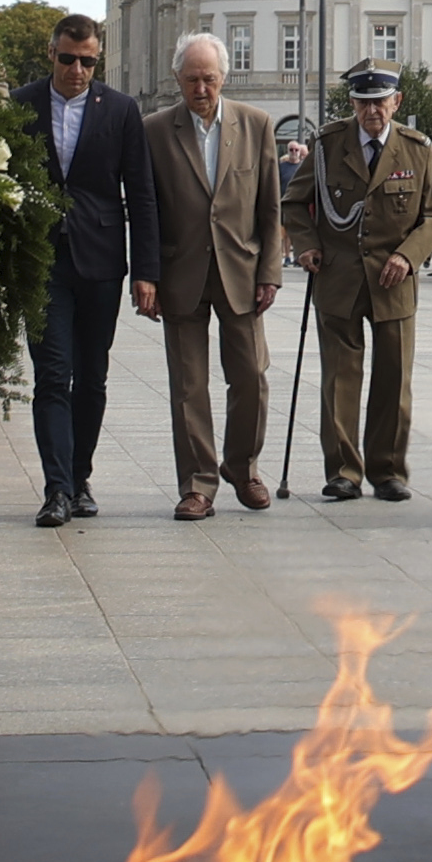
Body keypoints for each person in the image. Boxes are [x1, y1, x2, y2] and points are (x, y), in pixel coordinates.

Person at [137, 29, 281, 519]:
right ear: (177, 78)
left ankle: (243, 468)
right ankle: (198, 484)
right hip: (180, 273)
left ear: (224, 77)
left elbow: (271, 207)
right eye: (192, 79)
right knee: (188, 386)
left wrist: (270, 272)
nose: (202, 89)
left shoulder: (256, 124)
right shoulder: (155, 130)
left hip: (241, 272)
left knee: (252, 377)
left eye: (210, 79)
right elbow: (146, 210)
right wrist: (146, 276)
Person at [290, 64, 432, 500]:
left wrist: (408, 256)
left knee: (393, 379)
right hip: (338, 276)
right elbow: (294, 202)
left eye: (380, 102)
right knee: (340, 380)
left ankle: (387, 470)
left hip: (394, 281)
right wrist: (306, 244)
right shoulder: (327, 145)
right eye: (363, 103)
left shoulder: (417, 149)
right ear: (352, 103)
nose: (371, 111)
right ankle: (344, 471)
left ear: (397, 102)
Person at [15, 12, 142, 527]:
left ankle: (79, 476)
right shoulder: (21, 106)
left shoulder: (121, 110)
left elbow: (142, 193)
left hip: (100, 260)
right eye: (68, 59)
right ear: (52, 54)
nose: (77, 71)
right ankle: (57, 489)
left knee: (91, 377)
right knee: (51, 374)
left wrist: (146, 271)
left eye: (88, 62)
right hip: (42, 259)